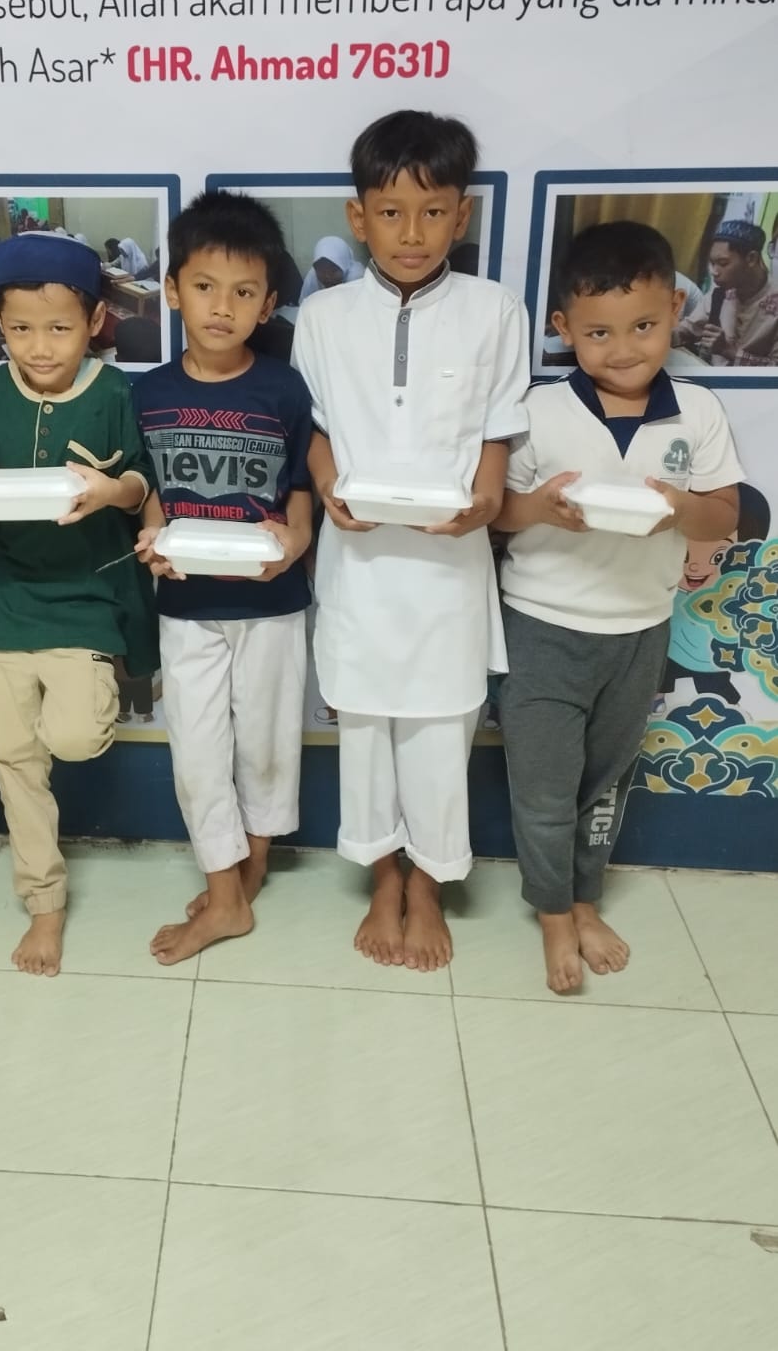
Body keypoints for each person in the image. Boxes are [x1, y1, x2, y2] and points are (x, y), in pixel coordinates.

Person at [292, 109, 529, 972]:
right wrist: (327, 489)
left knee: (439, 731)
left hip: (448, 564)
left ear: (462, 215)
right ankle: (383, 876)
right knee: (365, 730)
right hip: (358, 561)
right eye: (391, 213)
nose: (413, 233)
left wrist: (488, 497)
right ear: (359, 218)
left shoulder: (495, 309)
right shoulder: (324, 316)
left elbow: (498, 426)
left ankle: (427, 883)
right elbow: (315, 426)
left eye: (433, 212)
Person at [495, 222, 741, 993]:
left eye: (643, 326)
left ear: (675, 311)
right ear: (564, 328)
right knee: (543, 787)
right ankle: (553, 913)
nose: (624, 349)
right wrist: (539, 508)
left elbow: (724, 513)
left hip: (639, 630)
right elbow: (498, 512)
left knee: (603, 784)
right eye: (599, 332)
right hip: (540, 625)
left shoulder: (696, 410)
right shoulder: (538, 410)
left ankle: (585, 899)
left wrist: (679, 511)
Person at [0, 233, 157, 976]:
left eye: (59, 328)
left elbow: (139, 484)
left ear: (95, 321)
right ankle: (44, 904)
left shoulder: (114, 393)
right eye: (20, 328)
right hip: (9, 596)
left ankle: (66, 719)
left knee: (73, 738)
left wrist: (111, 490)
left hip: (87, 595)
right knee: (13, 758)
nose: (39, 347)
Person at [134, 192, 313, 963]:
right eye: (205, 286)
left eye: (244, 293)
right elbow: (147, 488)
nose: (222, 307)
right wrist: (151, 533)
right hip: (188, 602)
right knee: (198, 750)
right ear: (173, 289)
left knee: (267, 744)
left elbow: (302, 485)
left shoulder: (284, 389)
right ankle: (225, 892)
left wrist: (297, 539)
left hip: (272, 602)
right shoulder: (148, 393)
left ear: (267, 304)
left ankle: (249, 870)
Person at [660, 483, 770, 707]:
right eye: (684, 554)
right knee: (658, 685)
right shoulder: (663, 590)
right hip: (667, 655)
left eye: (718, 557)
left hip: (711, 660)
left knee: (719, 694)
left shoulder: (741, 596)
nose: (694, 567)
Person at [673, 219, 778, 366]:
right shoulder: (721, 293)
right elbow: (687, 330)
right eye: (712, 263)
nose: (714, 272)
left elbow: (775, 369)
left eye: (723, 263)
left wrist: (727, 351)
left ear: (751, 258)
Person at [298, 235, 365, 303]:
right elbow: (303, 304)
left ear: (344, 266)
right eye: (322, 271)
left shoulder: (356, 278)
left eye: (333, 271)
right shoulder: (313, 276)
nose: (327, 276)